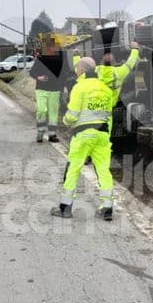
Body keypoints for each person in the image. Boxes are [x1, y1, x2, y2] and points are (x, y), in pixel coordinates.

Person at [52, 57, 115, 221]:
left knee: (73, 169)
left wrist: (65, 121)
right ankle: (107, 208)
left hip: (83, 135)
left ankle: (65, 208)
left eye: (77, 67)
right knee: (103, 170)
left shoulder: (80, 87)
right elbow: (108, 116)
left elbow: (72, 115)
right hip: (102, 135)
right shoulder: (106, 89)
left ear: (81, 69)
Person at [30, 43, 66, 143]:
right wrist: (39, 77)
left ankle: (52, 135)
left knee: (53, 112)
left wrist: (63, 88)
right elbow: (32, 72)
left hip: (55, 90)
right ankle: (40, 131)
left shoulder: (60, 60)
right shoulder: (40, 59)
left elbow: (63, 74)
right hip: (41, 89)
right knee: (41, 110)